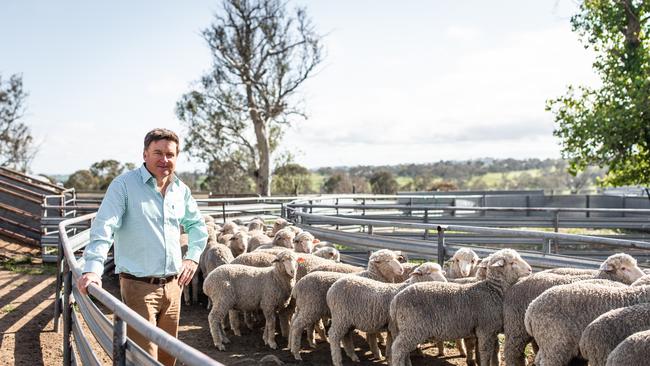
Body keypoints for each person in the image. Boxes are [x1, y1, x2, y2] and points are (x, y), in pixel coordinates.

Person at [77, 128, 207, 366]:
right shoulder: (124, 186)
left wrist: (193, 257)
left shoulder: (181, 190)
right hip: (139, 286)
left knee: (169, 356)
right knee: (145, 358)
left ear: (177, 157)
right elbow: (104, 227)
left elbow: (198, 226)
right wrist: (93, 268)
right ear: (145, 154)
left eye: (170, 154)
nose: (164, 159)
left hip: (174, 286)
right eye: (157, 152)